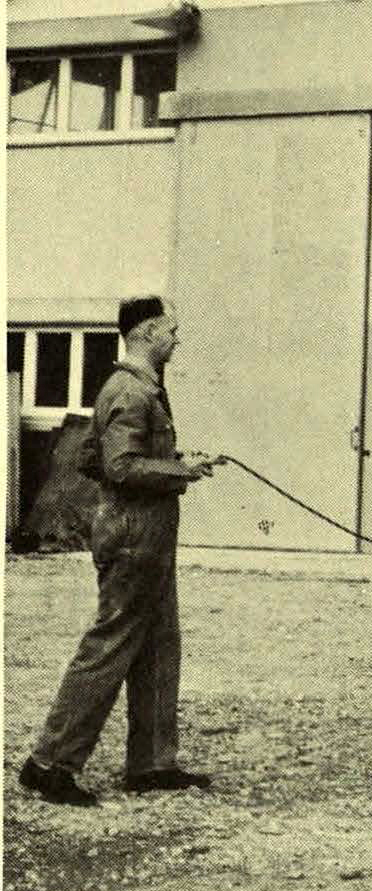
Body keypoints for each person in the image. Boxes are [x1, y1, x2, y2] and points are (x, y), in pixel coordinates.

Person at [19, 296, 222, 807]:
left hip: (144, 532)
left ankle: (152, 764)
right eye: (171, 331)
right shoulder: (131, 390)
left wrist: (172, 459)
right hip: (135, 535)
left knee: (158, 643)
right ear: (149, 332)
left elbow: (92, 456)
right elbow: (119, 466)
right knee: (110, 646)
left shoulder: (133, 388)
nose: (176, 340)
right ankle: (49, 764)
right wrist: (179, 471)